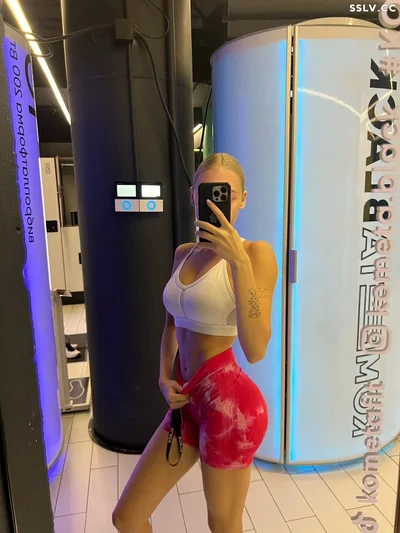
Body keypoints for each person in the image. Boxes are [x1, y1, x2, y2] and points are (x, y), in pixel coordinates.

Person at [112, 153, 278, 533]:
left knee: (223, 524)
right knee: (127, 517)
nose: (218, 204)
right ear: (193, 196)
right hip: (187, 401)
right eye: (208, 192)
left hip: (230, 406)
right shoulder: (183, 254)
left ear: (242, 199)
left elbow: (256, 349)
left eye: (227, 195)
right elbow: (171, 324)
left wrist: (238, 263)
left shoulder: (256, 255)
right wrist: (163, 376)